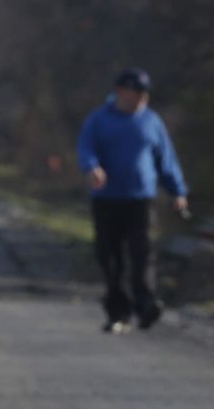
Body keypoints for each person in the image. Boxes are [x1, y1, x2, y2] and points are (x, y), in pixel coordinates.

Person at [76, 67, 188, 333]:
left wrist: (178, 191)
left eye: (143, 94)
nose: (139, 99)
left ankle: (145, 304)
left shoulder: (152, 121)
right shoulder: (99, 120)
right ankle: (118, 311)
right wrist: (93, 168)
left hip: (141, 199)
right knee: (110, 256)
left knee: (143, 253)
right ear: (120, 92)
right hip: (106, 199)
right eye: (134, 93)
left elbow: (166, 159)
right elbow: (86, 148)